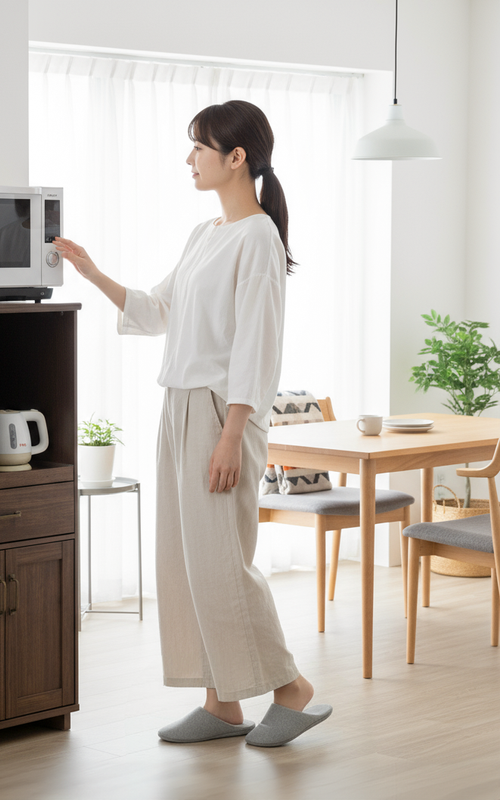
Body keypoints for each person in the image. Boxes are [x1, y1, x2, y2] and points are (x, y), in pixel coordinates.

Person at [55, 100, 332, 748]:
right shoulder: (206, 234)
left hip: (220, 413)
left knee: (221, 565)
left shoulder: (259, 237)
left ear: (237, 157)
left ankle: (291, 689)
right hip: (179, 407)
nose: (189, 159)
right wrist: (91, 269)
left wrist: (233, 433)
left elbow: (256, 347)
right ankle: (222, 704)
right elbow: (156, 311)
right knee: (185, 562)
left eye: (199, 148)